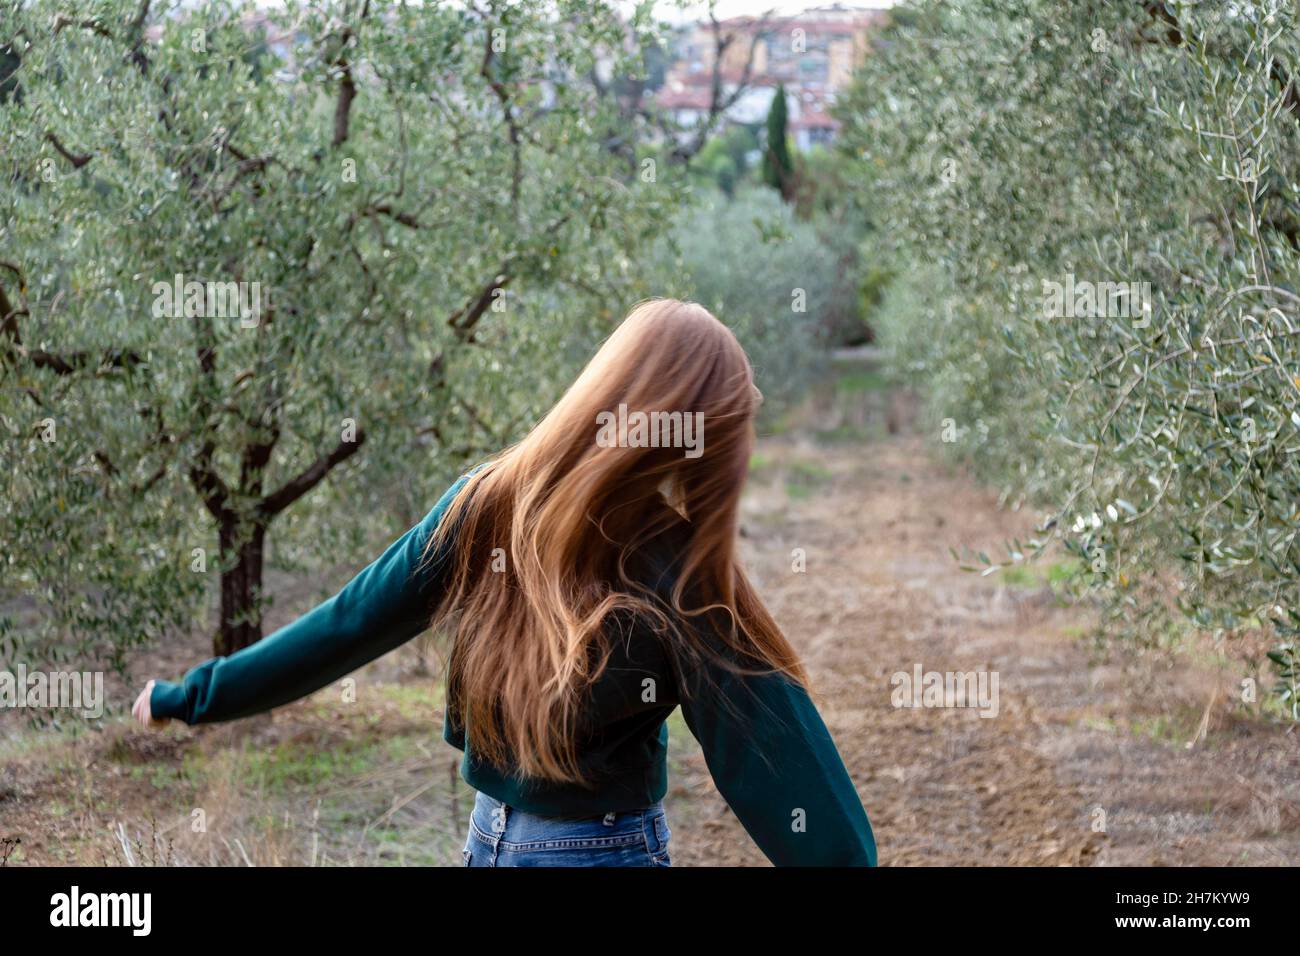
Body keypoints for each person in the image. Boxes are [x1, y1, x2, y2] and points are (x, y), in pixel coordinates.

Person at [134, 298, 877, 867]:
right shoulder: (679, 569)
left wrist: (192, 696)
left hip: (491, 837)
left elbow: (345, 625)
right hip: (600, 847)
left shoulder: (486, 503)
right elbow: (781, 758)